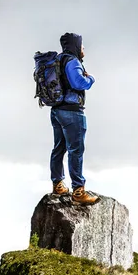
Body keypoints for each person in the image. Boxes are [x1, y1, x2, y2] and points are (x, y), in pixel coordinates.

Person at [49, 32, 100, 205]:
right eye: (81, 45)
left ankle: (58, 185)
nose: (83, 48)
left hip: (57, 111)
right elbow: (78, 83)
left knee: (59, 148)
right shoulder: (72, 61)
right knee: (76, 151)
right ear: (75, 46)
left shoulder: (59, 60)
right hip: (72, 112)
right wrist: (91, 79)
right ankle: (79, 191)